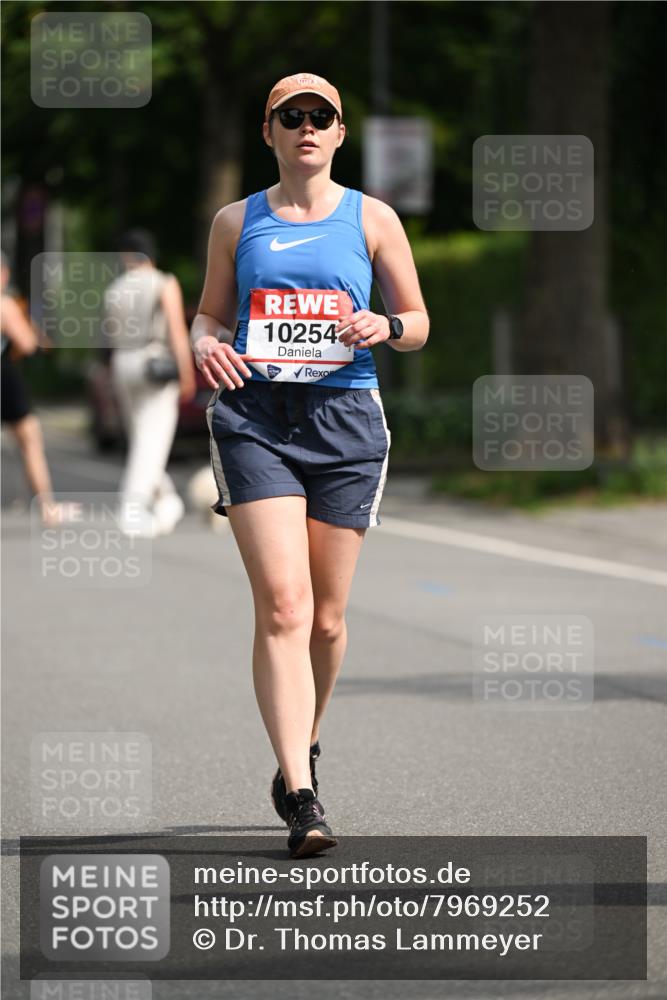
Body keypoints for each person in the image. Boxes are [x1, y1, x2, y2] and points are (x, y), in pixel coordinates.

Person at [191, 73, 429, 857]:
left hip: (345, 422)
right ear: (267, 132)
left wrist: (384, 323)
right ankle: (299, 792)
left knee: (326, 619)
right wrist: (202, 344)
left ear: (337, 133)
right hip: (256, 419)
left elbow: (419, 323)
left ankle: (304, 740)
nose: (304, 126)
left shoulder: (373, 218)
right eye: (288, 116)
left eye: (319, 115)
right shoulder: (237, 221)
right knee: (286, 609)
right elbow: (209, 314)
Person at [105, 230, 196, 537]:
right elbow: (176, 331)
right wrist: (186, 372)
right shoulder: (162, 282)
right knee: (151, 441)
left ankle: (167, 501)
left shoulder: (115, 288)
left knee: (140, 438)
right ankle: (132, 512)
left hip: (122, 361)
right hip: (152, 362)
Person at [1, 251, 67, 526]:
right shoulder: (5, 304)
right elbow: (27, 343)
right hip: (4, 376)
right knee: (29, 440)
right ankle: (46, 506)